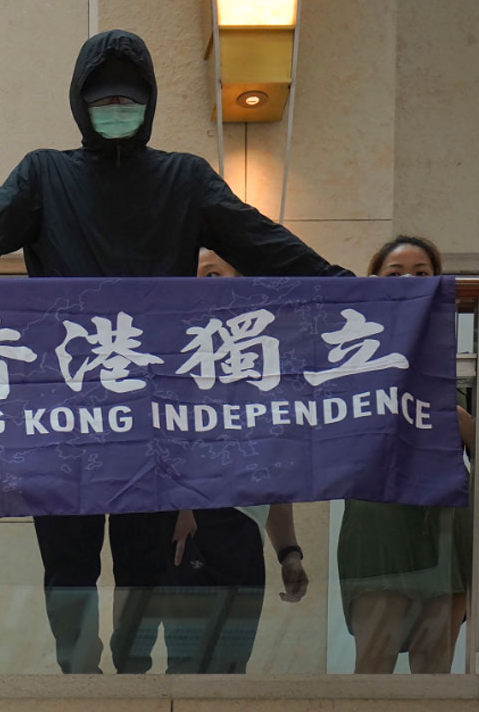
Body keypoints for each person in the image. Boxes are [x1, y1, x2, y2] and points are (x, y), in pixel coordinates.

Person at [0, 30, 349, 673]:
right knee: (68, 563)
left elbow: (260, 241)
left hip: (145, 417)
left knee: (144, 565)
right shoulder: (45, 174)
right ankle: (80, 679)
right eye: (104, 100)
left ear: (149, 102)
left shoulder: (183, 178)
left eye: (129, 100)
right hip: (65, 413)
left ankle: (132, 681)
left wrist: (346, 289)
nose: (117, 110)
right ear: (81, 103)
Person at [154, 248, 309, 674]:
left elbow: (272, 469)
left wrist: (289, 552)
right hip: (190, 523)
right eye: (192, 275)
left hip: (243, 530)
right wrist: (182, 505)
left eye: (213, 274)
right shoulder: (169, 355)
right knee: (188, 667)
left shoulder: (262, 367)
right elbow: (159, 444)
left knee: (232, 668)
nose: (202, 284)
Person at [337, 235, 472, 674]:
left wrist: (456, 419)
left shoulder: (460, 361)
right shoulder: (349, 356)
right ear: (374, 282)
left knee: (434, 671)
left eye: (421, 273)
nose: (409, 281)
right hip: (379, 526)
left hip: (443, 526)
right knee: (374, 663)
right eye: (395, 274)